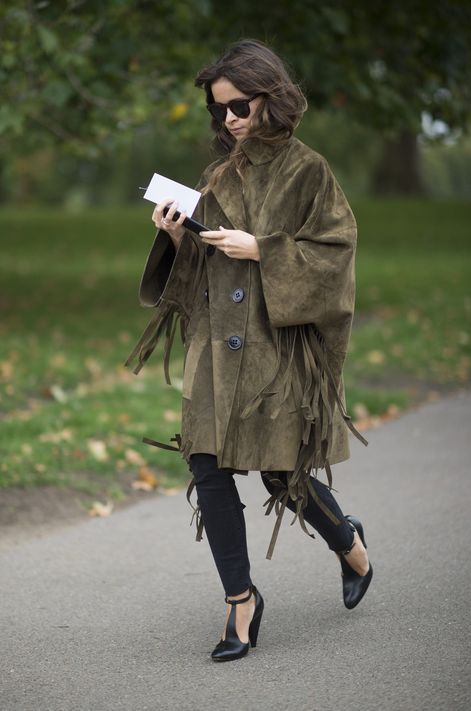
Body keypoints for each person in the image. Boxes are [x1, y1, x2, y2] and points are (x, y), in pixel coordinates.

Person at [126, 39, 373, 663]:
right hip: (215, 348)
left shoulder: (309, 170)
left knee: (280, 470)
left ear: (274, 99)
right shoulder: (219, 175)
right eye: (218, 111)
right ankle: (240, 599)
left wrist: (265, 248)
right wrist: (181, 234)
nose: (229, 119)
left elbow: (337, 258)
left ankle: (348, 541)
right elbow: (202, 269)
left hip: (276, 349)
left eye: (240, 105)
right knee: (207, 466)